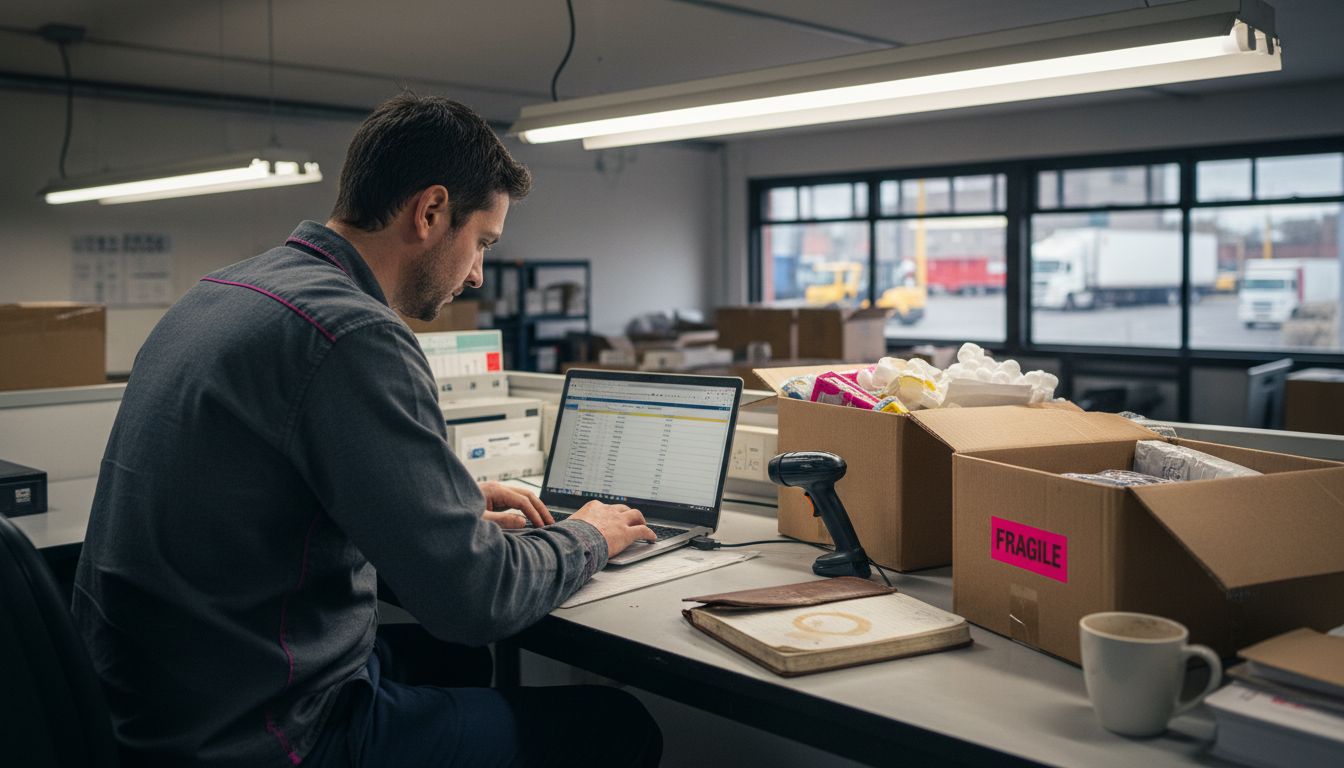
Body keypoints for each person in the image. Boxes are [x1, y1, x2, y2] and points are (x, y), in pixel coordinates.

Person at [72, 92, 662, 767]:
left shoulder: (223, 293)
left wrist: (447, 507)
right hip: (261, 735)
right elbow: (476, 600)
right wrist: (589, 535)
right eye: (482, 244)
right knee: (614, 724)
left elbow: (269, 488)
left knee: (454, 663)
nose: (475, 274)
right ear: (430, 211)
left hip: (156, 701)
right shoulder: (352, 332)